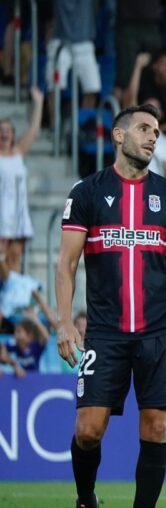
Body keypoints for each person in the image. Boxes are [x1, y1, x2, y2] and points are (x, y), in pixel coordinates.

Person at [54, 104, 166, 508]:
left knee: (157, 427)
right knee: (88, 431)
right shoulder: (87, 192)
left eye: (157, 131)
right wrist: (65, 320)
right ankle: (86, 503)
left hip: (160, 330)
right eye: (144, 129)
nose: (153, 137)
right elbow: (66, 263)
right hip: (105, 332)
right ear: (118, 135)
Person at [0, 86, 42, 274]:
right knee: (2, 260)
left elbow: (33, 130)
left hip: (18, 213)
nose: (4, 133)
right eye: (1, 130)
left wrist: (39, 103)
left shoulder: (18, 152)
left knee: (16, 258)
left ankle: (13, 302)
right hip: (1, 212)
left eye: (8, 130)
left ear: (13, 134)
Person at [0, 312, 47, 377]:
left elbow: (45, 336)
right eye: (15, 332)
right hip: (19, 380)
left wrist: (35, 320)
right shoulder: (13, 345)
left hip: (35, 379)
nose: (15, 335)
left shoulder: (36, 346)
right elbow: (3, 350)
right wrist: (14, 365)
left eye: (19, 332)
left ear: (29, 336)